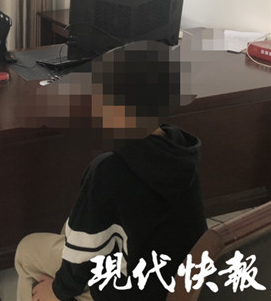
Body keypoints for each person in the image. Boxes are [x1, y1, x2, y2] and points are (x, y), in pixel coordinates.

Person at [15, 41, 207, 301]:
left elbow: (83, 257)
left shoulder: (108, 170)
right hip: (174, 282)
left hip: (127, 290)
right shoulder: (181, 149)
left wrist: (57, 291)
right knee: (71, 226)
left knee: (27, 250)